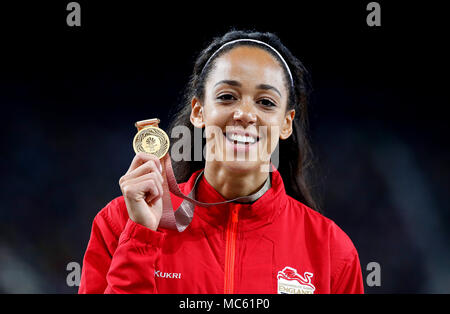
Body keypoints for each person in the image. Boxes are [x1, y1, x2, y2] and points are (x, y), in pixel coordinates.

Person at [78, 30, 364, 294]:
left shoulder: (331, 251)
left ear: (286, 123)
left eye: (265, 102)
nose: (245, 114)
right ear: (199, 111)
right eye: (227, 97)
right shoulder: (121, 222)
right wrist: (140, 238)